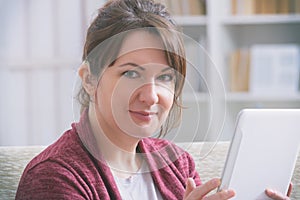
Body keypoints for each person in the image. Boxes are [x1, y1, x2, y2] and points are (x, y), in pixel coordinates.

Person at [16, 0, 292, 199]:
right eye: (131, 73)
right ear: (89, 79)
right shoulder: (54, 177)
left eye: (165, 77)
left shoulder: (177, 164)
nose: (150, 96)